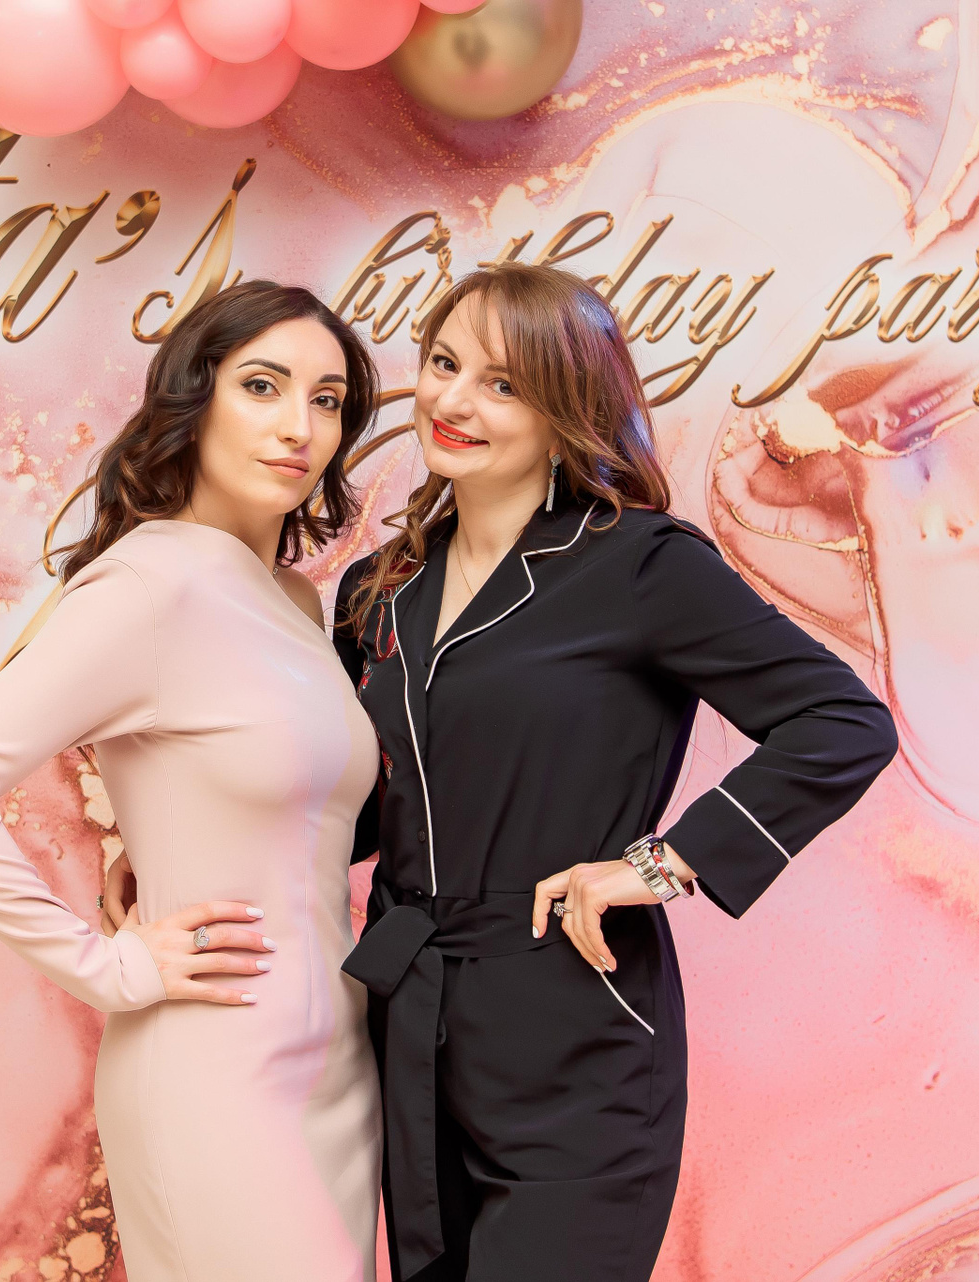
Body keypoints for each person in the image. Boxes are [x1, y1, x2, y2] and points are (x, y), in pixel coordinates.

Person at [333, 262, 900, 1282]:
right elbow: (353, 807)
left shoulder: (640, 565)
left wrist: (660, 863)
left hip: (575, 1015)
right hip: (409, 1017)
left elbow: (841, 721)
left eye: (503, 384)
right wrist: (179, 845)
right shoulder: (380, 589)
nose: (454, 401)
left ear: (567, 410)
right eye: (445, 364)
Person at [0, 280, 384, 1281]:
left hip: (335, 1058)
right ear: (194, 399)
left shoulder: (293, 598)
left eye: (327, 400)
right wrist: (105, 967)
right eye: (262, 386)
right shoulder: (151, 583)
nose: (299, 426)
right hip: (218, 1066)